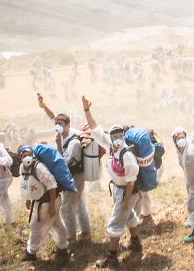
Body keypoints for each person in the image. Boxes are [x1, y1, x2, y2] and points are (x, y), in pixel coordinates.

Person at [81, 96, 142, 268]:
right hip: (118, 189)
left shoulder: (127, 155)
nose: (115, 138)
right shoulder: (109, 146)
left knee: (115, 222)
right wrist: (87, 111)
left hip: (128, 191)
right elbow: (95, 129)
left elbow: (131, 181)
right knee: (129, 216)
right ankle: (136, 243)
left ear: (122, 137)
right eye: (113, 135)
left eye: (118, 135)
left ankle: (111, 256)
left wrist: (126, 200)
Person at [37, 93, 91, 241]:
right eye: (57, 124)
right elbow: (53, 117)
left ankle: (70, 238)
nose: (57, 126)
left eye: (60, 124)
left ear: (68, 125)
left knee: (67, 208)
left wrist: (58, 145)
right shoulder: (64, 132)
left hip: (75, 175)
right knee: (80, 204)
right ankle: (86, 231)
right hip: (73, 173)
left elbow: (63, 161)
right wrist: (44, 105)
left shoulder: (73, 142)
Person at [18, 145, 69, 261]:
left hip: (49, 201)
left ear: (32, 154)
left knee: (35, 226)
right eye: (23, 155)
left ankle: (31, 252)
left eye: (28, 154)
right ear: (20, 157)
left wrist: (51, 205)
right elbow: (28, 184)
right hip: (46, 201)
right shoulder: (23, 167)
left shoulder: (38, 167)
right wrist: (28, 198)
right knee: (56, 224)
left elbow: (51, 184)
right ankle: (63, 248)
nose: (26, 157)